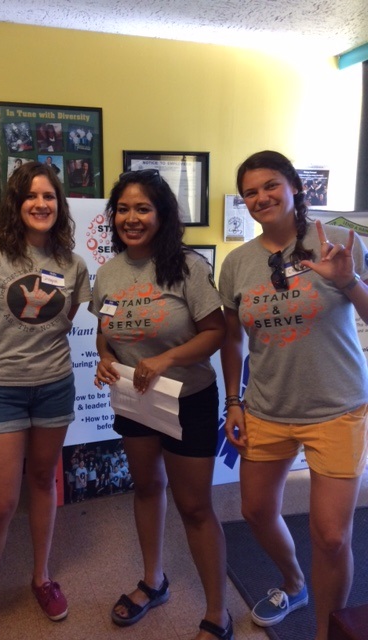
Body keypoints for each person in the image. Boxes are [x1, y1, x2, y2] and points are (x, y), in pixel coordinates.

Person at [219, 150, 368, 640]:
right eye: (251, 192)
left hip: (337, 407)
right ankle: (293, 582)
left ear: (294, 187)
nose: (261, 197)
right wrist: (233, 401)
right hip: (266, 407)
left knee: (330, 535)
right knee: (256, 511)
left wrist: (349, 281)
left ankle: (329, 632)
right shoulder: (239, 263)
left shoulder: (340, 242)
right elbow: (232, 338)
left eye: (270, 186)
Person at [90, 169, 232, 640]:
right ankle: (154, 582)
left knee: (194, 507)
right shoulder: (109, 273)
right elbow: (103, 330)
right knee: (147, 489)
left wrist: (166, 357)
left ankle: (218, 613)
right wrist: (105, 358)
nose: (132, 218)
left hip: (187, 399)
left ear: (162, 214)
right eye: (123, 209)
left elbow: (216, 332)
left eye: (143, 209)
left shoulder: (187, 266)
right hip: (134, 400)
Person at [0, 161, 91, 640]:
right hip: (1, 392)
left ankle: (41, 576)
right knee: (1, 502)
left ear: (59, 204)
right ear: (16, 204)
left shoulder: (73, 265)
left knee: (42, 481)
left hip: (54, 384)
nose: (41, 204)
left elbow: (65, 320)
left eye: (50, 196)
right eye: (31, 196)